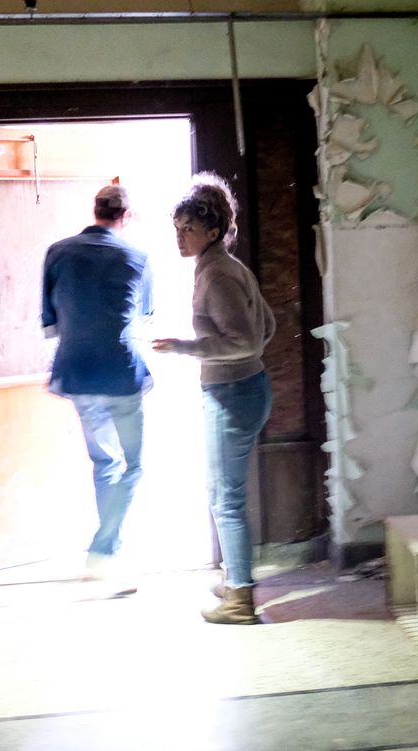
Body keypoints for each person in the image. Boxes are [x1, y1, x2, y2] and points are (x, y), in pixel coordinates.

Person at [153, 173, 275, 625]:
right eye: (177, 227)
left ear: (213, 230)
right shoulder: (227, 266)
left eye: (189, 228)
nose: (180, 236)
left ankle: (240, 598)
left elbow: (245, 341)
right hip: (244, 389)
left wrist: (187, 347)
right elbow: (269, 328)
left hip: (231, 392)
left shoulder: (218, 274)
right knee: (223, 492)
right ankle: (236, 578)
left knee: (225, 497)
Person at [42, 184, 152, 587]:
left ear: (95, 210)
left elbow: (50, 322)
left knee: (104, 462)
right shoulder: (137, 257)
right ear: (126, 216)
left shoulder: (57, 252)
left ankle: (105, 552)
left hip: (77, 372)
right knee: (133, 464)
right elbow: (144, 314)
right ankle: (104, 549)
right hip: (122, 371)